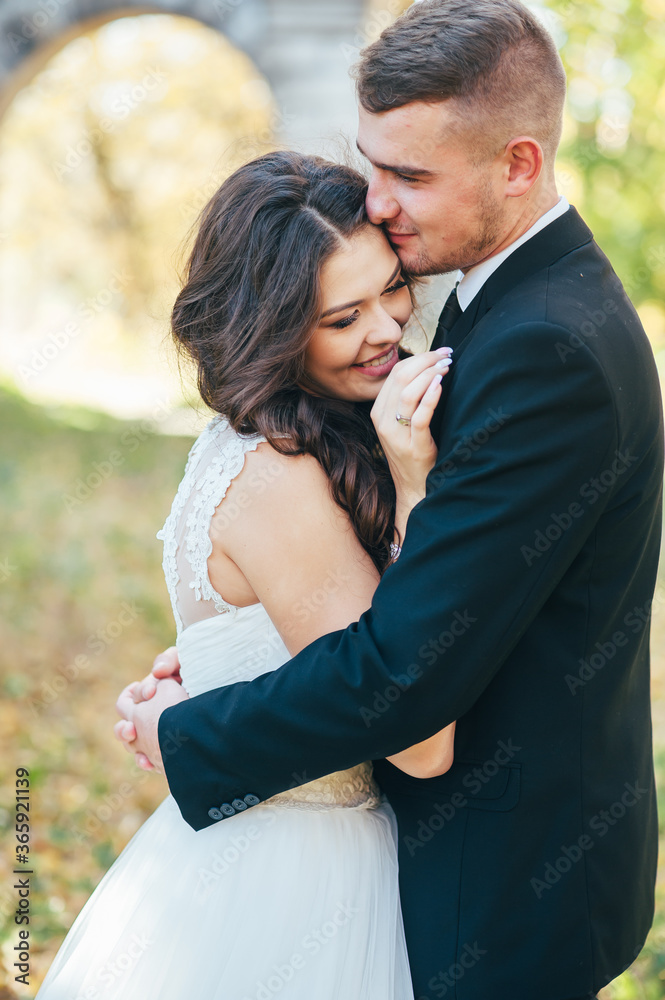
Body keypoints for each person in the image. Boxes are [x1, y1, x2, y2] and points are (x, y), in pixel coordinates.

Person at [118, 1, 664, 998]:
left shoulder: (546, 347)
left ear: (517, 164)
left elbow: (406, 671)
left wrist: (192, 728)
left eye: (409, 175)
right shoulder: (495, 295)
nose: (375, 201)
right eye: (372, 163)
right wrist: (249, 641)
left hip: (503, 885)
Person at [36, 151, 456, 999]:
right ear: (270, 328)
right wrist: (415, 490)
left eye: (391, 290)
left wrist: (216, 673)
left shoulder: (266, 438)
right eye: (343, 316)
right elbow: (414, 738)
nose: (385, 328)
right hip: (298, 880)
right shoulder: (280, 475)